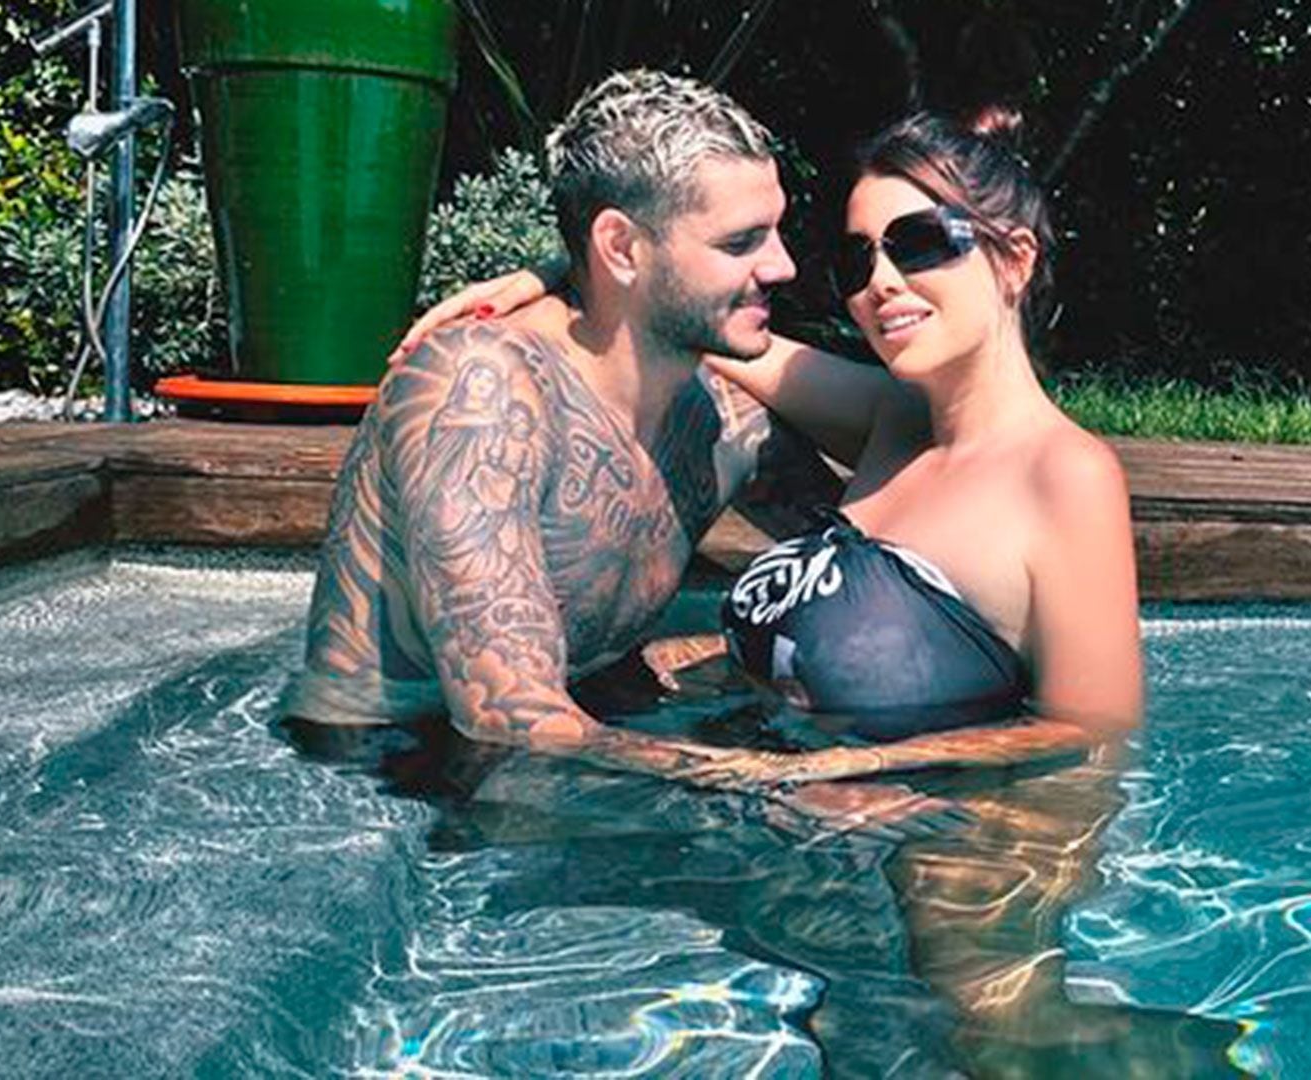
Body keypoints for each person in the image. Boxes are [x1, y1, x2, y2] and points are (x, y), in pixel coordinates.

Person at [396, 110, 1201, 1072]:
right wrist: (555, 275)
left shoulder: (1062, 474)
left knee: (1005, 1051)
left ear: (1013, 260)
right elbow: (695, 314)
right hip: (820, 841)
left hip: (956, 863)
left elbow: (1091, 728)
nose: (882, 282)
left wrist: (836, 774)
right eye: (859, 259)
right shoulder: (894, 418)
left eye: (919, 243)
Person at [285, 70, 859, 794]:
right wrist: (793, 779)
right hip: (385, 771)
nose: (783, 266)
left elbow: (883, 564)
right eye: (742, 242)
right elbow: (507, 718)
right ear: (620, 247)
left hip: (591, 720)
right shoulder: (484, 390)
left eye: (774, 232)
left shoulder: (725, 420)